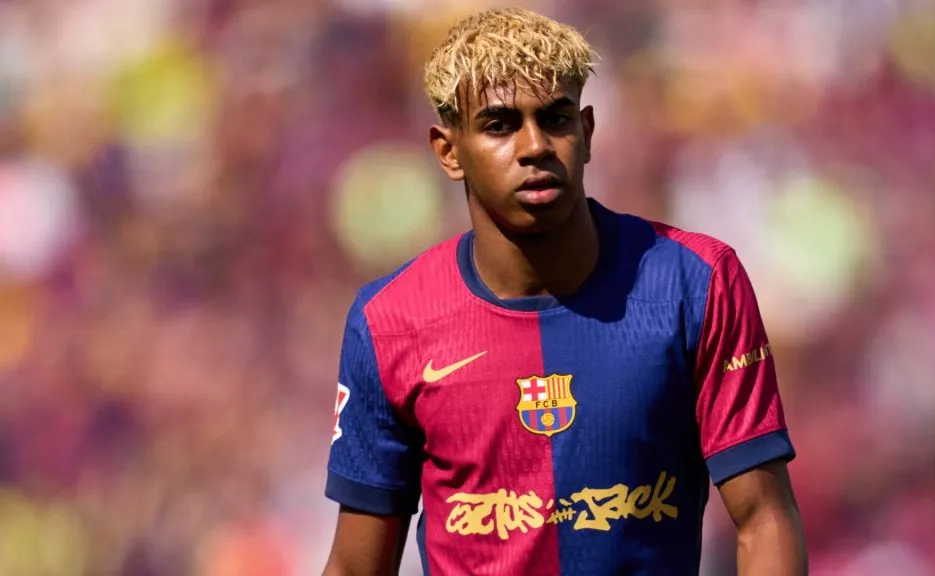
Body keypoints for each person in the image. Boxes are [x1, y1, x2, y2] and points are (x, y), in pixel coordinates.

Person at [322, 7, 807, 576]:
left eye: (555, 119)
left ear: (588, 132)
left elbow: (763, 519)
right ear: (448, 151)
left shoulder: (695, 282)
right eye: (500, 125)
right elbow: (357, 567)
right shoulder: (390, 322)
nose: (535, 146)